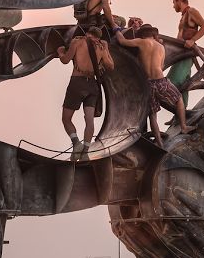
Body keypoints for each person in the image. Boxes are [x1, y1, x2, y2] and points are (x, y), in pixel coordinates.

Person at [116, 24, 194, 147]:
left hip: (148, 84)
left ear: (142, 35)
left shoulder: (141, 42)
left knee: (152, 115)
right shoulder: (161, 47)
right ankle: (184, 126)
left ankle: (159, 143)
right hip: (161, 81)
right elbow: (162, 66)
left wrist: (117, 30)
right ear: (154, 35)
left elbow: (122, 41)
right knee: (179, 99)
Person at [58, 27, 115, 159]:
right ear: (98, 37)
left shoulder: (78, 42)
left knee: (66, 118)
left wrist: (60, 52)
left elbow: (65, 60)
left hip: (77, 83)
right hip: (92, 86)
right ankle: (86, 151)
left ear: (87, 33)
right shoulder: (101, 47)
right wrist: (106, 48)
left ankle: (76, 143)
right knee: (89, 121)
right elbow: (111, 66)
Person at [168, 0, 204, 106]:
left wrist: (192, 40)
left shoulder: (192, 11)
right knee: (184, 84)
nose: (173, 6)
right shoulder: (183, 15)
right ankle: (181, 115)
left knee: (172, 82)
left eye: (173, 3)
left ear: (179, 0)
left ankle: (178, 111)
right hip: (180, 53)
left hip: (186, 53)